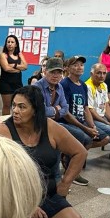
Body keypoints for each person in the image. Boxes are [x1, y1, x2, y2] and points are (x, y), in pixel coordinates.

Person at [0, 85, 85, 218]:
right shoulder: (5, 130)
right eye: (14, 105)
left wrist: (65, 183)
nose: (15, 110)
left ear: (35, 110)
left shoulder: (49, 126)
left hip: (47, 192)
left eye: (22, 107)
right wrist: (29, 205)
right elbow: (5, 174)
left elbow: (80, 153)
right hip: (17, 195)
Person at [33, 57, 89, 186]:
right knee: (57, 142)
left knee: (81, 135)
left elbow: (65, 108)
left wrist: (54, 111)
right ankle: (57, 178)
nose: (55, 75)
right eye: (52, 72)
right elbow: (40, 111)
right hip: (39, 124)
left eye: (58, 72)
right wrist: (56, 110)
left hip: (54, 123)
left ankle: (70, 170)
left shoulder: (59, 87)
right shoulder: (37, 87)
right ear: (45, 71)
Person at [60, 56, 110, 154]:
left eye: (81, 65)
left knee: (106, 138)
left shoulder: (83, 85)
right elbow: (65, 113)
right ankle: (74, 156)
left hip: (81, 121)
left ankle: (76, 153)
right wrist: (85, 129)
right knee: (86, 138)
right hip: (68, 122)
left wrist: (92, 126)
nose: (79, 67)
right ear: (68, 68)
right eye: (75, 65)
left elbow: (86, 108)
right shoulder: (64, 84)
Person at [0, 34, 28, 115]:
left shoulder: (19, 55)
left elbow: (25, 66)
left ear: (16, 44)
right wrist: (18, 69)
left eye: (12, 42)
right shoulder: (3, 55)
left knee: (18, 104)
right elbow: (6, 68)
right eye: (8, 42)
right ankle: (5, 124)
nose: (10, 44)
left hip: (18, 84)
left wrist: (14, 65)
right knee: (7, 105)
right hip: (6, 84)